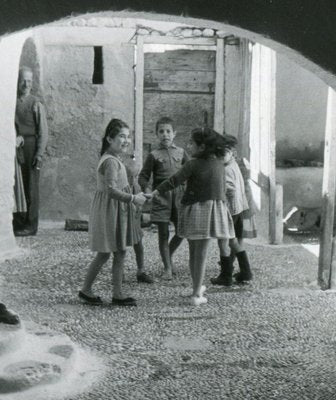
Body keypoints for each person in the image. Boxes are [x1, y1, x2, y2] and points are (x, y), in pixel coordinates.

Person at [149, 127, 235, 306]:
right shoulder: (219, 162)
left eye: (192, 143)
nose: (188, 145)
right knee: (201, 254)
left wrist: (156, 191)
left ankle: (196, 290)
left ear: (202, 147)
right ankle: (196, 292)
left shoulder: (192, 164)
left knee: (194, 253)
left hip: (194, 211)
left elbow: (174, 180)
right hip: (211, 212)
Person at [79, 119, 147, 307]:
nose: (126, 140)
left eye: (128, 136)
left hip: (116, 209)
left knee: (119, 251)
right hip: (110, 211)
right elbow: (110, 190)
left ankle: (117, 293)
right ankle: (87, 290)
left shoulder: (114, 159)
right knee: (106, 253)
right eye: (121, 137)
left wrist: (136, 195)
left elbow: (120, 187)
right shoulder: (110, 162)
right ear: (110, 138)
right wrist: (133, 199)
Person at [138, 117, 189, 280]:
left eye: (168, 131)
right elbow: (143, 176)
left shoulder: (181, 153)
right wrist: (147, 189)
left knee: (182, 231)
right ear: (156, 134)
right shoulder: (153, 155)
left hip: (180, 197)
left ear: (174, 133)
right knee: (163, 234)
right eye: (161, 131)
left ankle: (169, 255)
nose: (165, 134)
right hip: (161, 197)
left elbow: (191, 172)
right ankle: (167, 267)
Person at [211, 134, 254, 286]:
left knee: (223, 242)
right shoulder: (233, 164)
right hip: (238, 209)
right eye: (217, 154)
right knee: (233, 241)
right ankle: (245, 271)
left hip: (229, 211)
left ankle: (226, 275)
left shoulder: (226, 170)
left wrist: (218, 194)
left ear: (231, 152)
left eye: (222, 154)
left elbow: (230, 189)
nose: (219, 157)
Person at [13, 66, 48, 236]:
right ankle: (18, 222)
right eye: (23, 80)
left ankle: (31, 225)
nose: (26, 84)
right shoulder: (12, 101)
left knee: (31, 187)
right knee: (17, 185)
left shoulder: (35, 103)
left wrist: (39, 154)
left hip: (31, 147)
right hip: (16, 146)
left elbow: (43, 131)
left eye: (29, 81)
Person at [122, 152, 153, 284]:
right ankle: (119, 272)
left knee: (139, 245)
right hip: (123, 221)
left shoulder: (135, 186)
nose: (132, 179)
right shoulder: (121, 187)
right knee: (120, 247)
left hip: (134, 221)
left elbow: (139, 202)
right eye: (129, 176)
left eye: (135, 176)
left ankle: (141, 271)